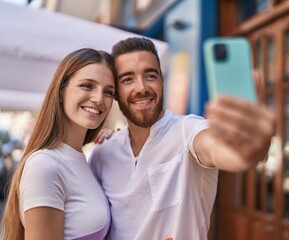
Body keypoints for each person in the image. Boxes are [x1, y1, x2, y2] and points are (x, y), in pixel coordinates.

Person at [89, 37, 275, 239]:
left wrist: (248, 147)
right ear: (115, 92)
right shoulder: (102, 153)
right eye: (127, 79)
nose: (141, 87)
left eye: (150, 76)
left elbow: (220, 150)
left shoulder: (187, 130)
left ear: (162, 81)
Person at [1, 48, 117, 240]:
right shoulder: (45, 164)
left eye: (108, 92)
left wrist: (117, 144)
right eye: (87, 86)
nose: (98, 99)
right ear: (61, 90)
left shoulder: (84, 162)